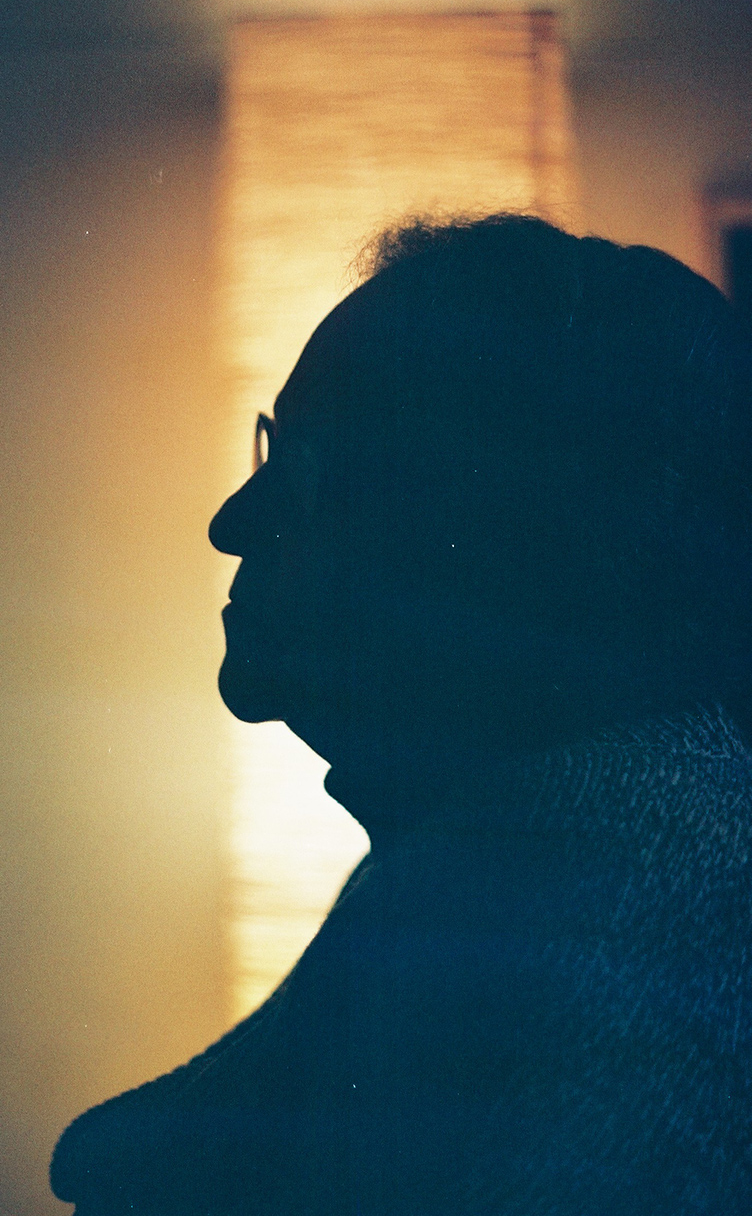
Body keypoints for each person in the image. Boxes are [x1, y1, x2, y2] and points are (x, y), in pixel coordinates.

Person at [51, 214, 752, 1214]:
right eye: (268, 450)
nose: (231, 522)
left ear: (514, 533)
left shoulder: (567, 903)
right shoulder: (541, 844)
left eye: (303, 473)